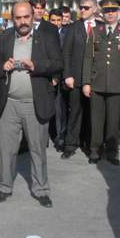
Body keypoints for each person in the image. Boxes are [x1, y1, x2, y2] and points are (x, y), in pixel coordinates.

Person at [0, 1, 62, 207]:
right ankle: (4, 187)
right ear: (13, 19)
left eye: (26, 17)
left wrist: (36, 65)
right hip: (9, 103)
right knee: (5, 149)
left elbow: (58, 63)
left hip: (34, 103)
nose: (22, 22)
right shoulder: (5, 37)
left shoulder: (46, 38)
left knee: (37, 149)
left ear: (33, 16)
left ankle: (41, 190)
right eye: (18, 18)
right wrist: (3, 66)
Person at [81, 0, 120, 165]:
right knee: (96, 120)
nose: (110, 14)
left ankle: (112, 153)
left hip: (117, 84)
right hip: (97, 83)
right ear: (102, 13)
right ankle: (95, 151)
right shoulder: (95, 31)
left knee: (113, 122)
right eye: (107, 11)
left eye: (113, 10)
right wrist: (86, 82)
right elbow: (87, 58)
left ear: (118, 12)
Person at [61, 0, 100, 159]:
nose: (82, 10)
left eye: (86, 7)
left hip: (96, 78)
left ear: (95, 9)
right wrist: (67, 75)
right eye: (81, 7)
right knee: (75, 112)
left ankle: (93, 147)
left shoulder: (102, 28)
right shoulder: (73, 28)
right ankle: (71, 144)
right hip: (75, 77)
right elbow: (66, 53)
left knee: (95, 114)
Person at [48, 8, 67, 151]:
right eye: (53, 20)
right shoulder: (43, 34)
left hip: (61, 78)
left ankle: (60, 137)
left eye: (58, 20)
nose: (56, 23)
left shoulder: (66, 35)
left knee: (59, 109)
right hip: (46, 76)